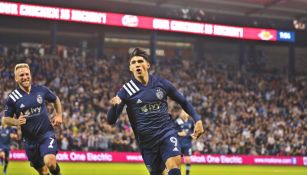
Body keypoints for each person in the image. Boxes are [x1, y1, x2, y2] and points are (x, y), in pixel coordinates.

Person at [107, 48, 204, 175]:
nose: (137, 64)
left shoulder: (161, 83)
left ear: (147, 65)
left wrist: (197, 119)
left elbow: (183, 102)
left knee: (174, 165)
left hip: (166, 132)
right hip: (147, 142)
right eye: (133, 62)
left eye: (140, 61)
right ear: (130, 68)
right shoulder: (126, 90)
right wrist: (114, 106)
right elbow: (111, 120)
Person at [2, 63, 62, 175]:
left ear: (30, 75)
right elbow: (5, 119)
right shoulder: (12, 98)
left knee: (50, 163)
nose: (25, 77)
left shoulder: (41, 90)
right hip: (29, 142)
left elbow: (55, 99)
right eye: (21, 75)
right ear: (16, 78)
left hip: (46, 134)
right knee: (43, 172)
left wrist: (58, 114)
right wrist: (16, 122)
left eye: (26, 74)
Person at [175, 110, 195, 175]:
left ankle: (187, 174)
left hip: (187, 144)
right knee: (178, 161)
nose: (183, 113)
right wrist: (179, 133)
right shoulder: (177, 121)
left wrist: (192, 135)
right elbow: (173, 131)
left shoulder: (191, 122)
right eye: (182, 112)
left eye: (185, 112)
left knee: (188, 160)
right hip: (179, 144)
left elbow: (194, 132)